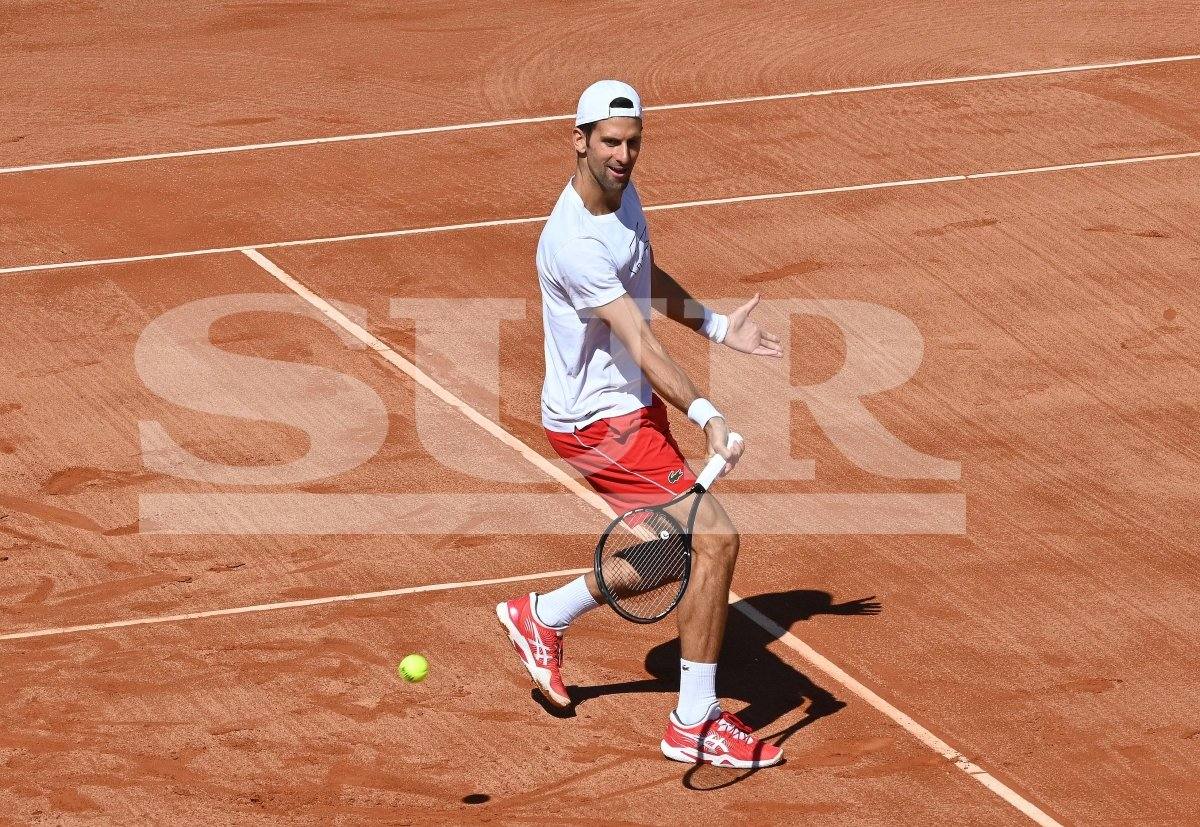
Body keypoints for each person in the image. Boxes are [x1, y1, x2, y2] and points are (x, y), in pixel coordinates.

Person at [496, 80, 784, 768]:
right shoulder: (573, 243)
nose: (624, 156)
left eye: (633, 144)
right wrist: (708, 411)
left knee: (678, 552)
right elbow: (645, 344)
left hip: (629, 408)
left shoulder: (622, 199)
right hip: (598, 423)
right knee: (714, 538)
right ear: (579, 140)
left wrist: (714, 324)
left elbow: (644, 275)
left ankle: (544, 615)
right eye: (610, 143)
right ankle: (694, 721)